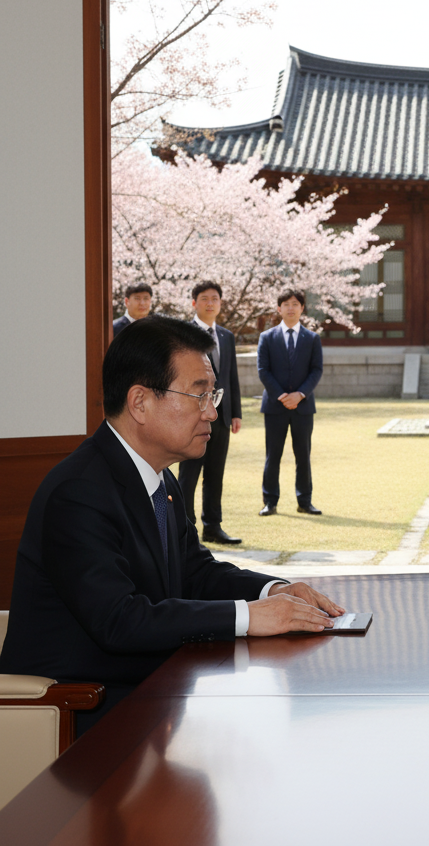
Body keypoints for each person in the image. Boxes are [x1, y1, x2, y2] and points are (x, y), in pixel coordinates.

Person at [0, 316, 343, 732]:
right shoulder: (78, 492)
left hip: (151, 695)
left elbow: (195, 573)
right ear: (140, 402)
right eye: (199, 395)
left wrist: (273, 591)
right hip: (79, 713)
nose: (212, 412)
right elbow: (119, 621)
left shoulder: (159, 478)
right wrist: (250, 616)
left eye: (213, 394)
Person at [177, 281, 243, 546]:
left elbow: (231, 376)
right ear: (194, 303)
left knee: (216, 473)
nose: (210, 303)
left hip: (222, 416)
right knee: (189, 474)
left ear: (220, 303)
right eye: (204, 299)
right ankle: (185, 529)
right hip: (193, 415)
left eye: (215, 299)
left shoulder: (226, 336)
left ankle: (213, 527)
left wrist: (236, 413)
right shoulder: (183, 334)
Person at [257, 289, 323, 516]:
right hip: (275, 406)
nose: (291, 308)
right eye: (286, 304)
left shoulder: (312, 339)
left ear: (302, 308)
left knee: (303, 455)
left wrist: (300, 394)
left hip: (303, 407)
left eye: (295, 304)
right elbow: (263, 370)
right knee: (272, 455)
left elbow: (316, 370)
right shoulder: (267, 337)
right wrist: (282, 396)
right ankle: (270, 501)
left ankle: (305, 501)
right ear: (279, 309)